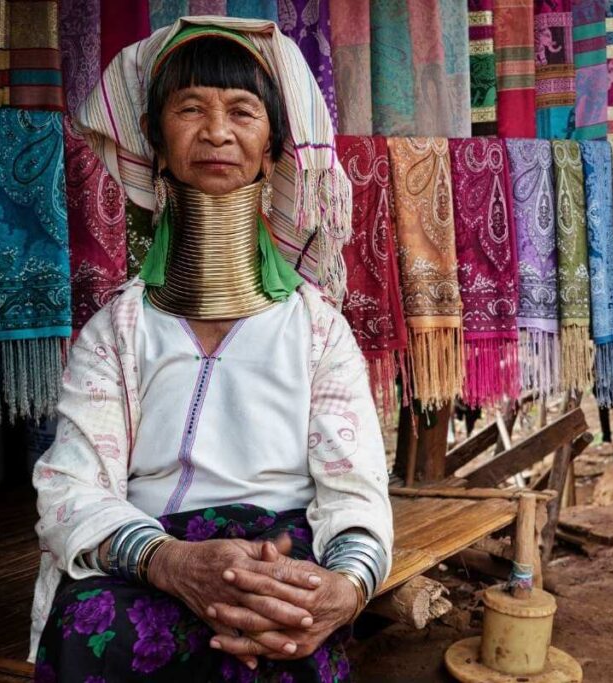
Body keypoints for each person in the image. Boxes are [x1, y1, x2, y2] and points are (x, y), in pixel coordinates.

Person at [29, 18, 392, 682]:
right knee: (88, 621)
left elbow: (355, 490)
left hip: (279, 556)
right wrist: (169, 561)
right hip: (151, 554)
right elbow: (70, 487)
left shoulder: (317, 329)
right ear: (156, 143)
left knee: (288, 635)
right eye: (190, 108)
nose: (217, 132)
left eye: (242, 111)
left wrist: (342, 589)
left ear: (272, 150)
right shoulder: (118, 330)